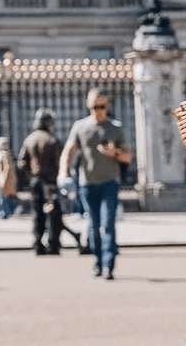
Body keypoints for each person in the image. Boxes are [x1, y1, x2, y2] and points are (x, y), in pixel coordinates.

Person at [59, 88, 132, 279]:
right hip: (87, 183)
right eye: (94, 106)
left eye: (101, 106)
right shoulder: (80, 127)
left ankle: (109, 265)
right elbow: (69, 151)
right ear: (88, 106)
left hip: (109, 182)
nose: (98, 110)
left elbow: (127, 157)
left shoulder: (115, 128)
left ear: (107, 106)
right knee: (93, 224)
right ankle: (98, 262)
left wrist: (113, 153)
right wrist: (63, 173)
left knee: (107, 224)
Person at [18, 109, 64, 253]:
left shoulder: (29, 139)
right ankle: (53, 243)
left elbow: (21, 162)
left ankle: (38, 242)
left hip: (36, 180)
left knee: (37, 213)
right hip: (50, 181)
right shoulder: (52, 140)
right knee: (54, 212)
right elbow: (60, 162)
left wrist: (31, 174)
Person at [0, 135, 18, 220]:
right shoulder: (1, 154)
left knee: (2, 197)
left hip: (3, 179)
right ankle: (5, 212)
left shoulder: (5, 155)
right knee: (2, 197)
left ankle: (5, 213)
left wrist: (5, 179)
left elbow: (8, 168)